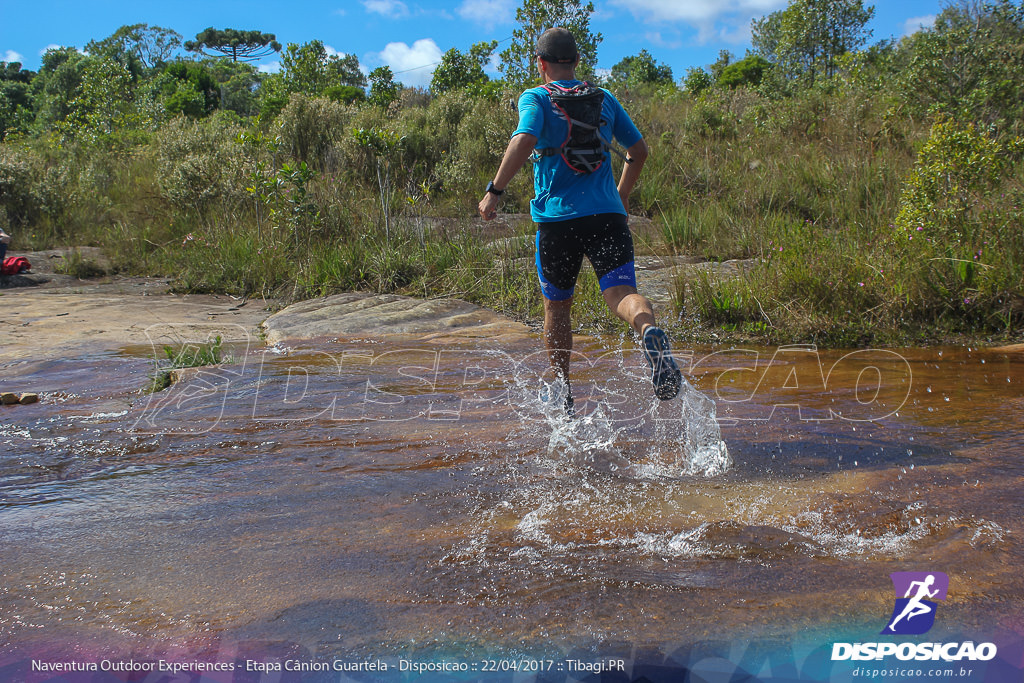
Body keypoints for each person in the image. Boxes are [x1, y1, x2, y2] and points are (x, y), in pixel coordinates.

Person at [477, 27, 681, 411]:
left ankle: (562, 388)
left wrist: (496, 190)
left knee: (557, 307)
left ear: (541, 64)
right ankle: (649, 329)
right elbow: (638, 150)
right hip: (607, 217)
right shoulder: (603, 98)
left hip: (558, 223)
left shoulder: (536, 96)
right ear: (576, 61)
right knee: (621, 295)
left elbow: (523, 140)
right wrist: (618, 199)